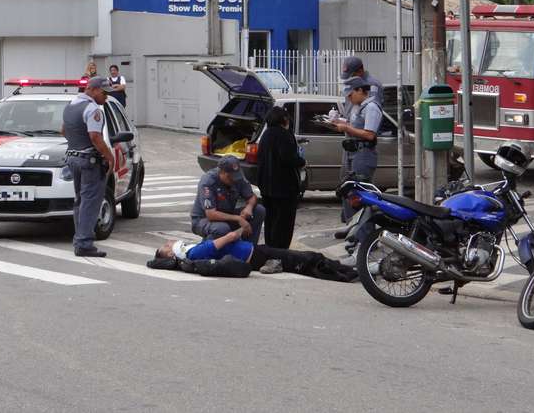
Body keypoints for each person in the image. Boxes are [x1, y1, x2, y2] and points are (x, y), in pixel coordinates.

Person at [152, 228, 357, 282]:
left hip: (256, 254)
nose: (168, 242)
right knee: (308, 259)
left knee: (305, 262)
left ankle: (347, 272)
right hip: (256, 255)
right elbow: (227, 238)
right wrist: (240, 229)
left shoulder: (190, 252)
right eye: (165, 245)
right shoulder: (194, 252)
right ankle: (347, 272)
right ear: (169, 253)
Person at [62, 76, 115, 257]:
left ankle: (80, 239)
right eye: (104, 92)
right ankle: (84, 243)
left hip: (73, 158)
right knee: (90, 203)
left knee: (80, 201)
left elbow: (63, 130)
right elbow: (95, 137)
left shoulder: (70, 106)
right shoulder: (92, 109)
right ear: (92, 90)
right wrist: (110, 157)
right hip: (89, 161)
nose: (106, 97)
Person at [334, 77, 383, 264]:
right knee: (350, 196)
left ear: (361, 91)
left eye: (351, 93)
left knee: (361, 199)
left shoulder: (371, 107)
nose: (349, 97)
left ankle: (365, 245)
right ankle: (357, 240)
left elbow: (370, 134)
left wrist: (346, 127)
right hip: (353, 153)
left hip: (364, 154)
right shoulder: (359, 107)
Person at [257, 106, 305, 248]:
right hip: (284, 188)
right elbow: (288, 158)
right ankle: (279, 255)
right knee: (283, 223)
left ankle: (270, 251)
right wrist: (302, 161)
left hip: (266, 186)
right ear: (284, 119)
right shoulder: (284, 135)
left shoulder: (265, 135)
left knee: (270, 220)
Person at [190, 156, 265, 244]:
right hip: (203, 220)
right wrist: (238, 219)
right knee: (222, 228)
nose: (234, 180)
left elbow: (252, 197)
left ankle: (249, 249)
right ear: (221, 172)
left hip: (227, 215)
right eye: (230, 177)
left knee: (259, 210)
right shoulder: (208, 181)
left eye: (235, 176)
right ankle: (206, 251)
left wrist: (249, 207)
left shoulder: (238, 177)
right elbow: (211, 214)